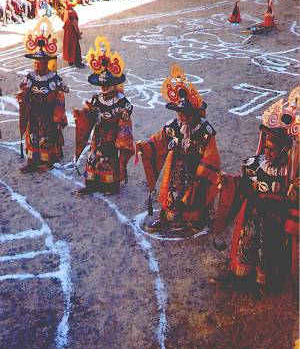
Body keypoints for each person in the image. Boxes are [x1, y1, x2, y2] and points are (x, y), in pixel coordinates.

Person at [219, 88, 299, 297]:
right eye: (266, 147)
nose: (267, 151)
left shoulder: (291, 175)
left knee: (268, 253)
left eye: (272, 149)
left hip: (275, 221)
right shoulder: (254, 165)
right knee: (247, 244)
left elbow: (292, 200)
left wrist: (270, 197)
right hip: (253, 216)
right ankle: (240, 277)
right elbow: (243, 186)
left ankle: (263, 284)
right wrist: (227, 182)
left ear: (284, 150)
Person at [136, 64, 220, 232]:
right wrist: (145, 147)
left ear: (193, 113)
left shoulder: (205, 130)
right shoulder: (173, 126)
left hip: (196, 170)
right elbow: (159, 140)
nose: (181, 116)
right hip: (177, 168)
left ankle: (196, 219)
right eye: (179, 112)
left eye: (184, 113)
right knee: (173, 195)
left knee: (195, 196)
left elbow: (211, 155)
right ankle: (168, 218)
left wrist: (201, 173)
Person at [74, 35, 134, 195]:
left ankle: (111, 185)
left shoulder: (121, 100)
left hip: (112, 135)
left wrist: (124, 115)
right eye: (102, 85)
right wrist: (83, 113)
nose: (103, 88)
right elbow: (91, 115)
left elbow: (129, 109)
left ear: (113, 86)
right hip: (98, 135)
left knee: (109, 159)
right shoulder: (96, 98)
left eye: (106, 85)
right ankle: (91, 183)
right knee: (93, 157)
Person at [17, 17, 69, 172]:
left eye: (39, 63)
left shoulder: (54, 77)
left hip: (48, 112)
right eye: (35, 62)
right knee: (33, 136)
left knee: (47, 137)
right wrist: (22, 96)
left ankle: (48, 159)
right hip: (34, 112)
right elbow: (23, 90)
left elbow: (65, 89)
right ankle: (32, 160)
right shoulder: (29, 76)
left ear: (46, 63)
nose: (36, 65)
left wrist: (56, 95)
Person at [62, 2, 86, 68]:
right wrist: (78, 33)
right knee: (76, 48)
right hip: (72, 33)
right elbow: (74, 24)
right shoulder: (72, 13)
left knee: (69, 47)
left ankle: (71, 62)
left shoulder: (66, 12)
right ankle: (78, 63)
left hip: (67, 33)